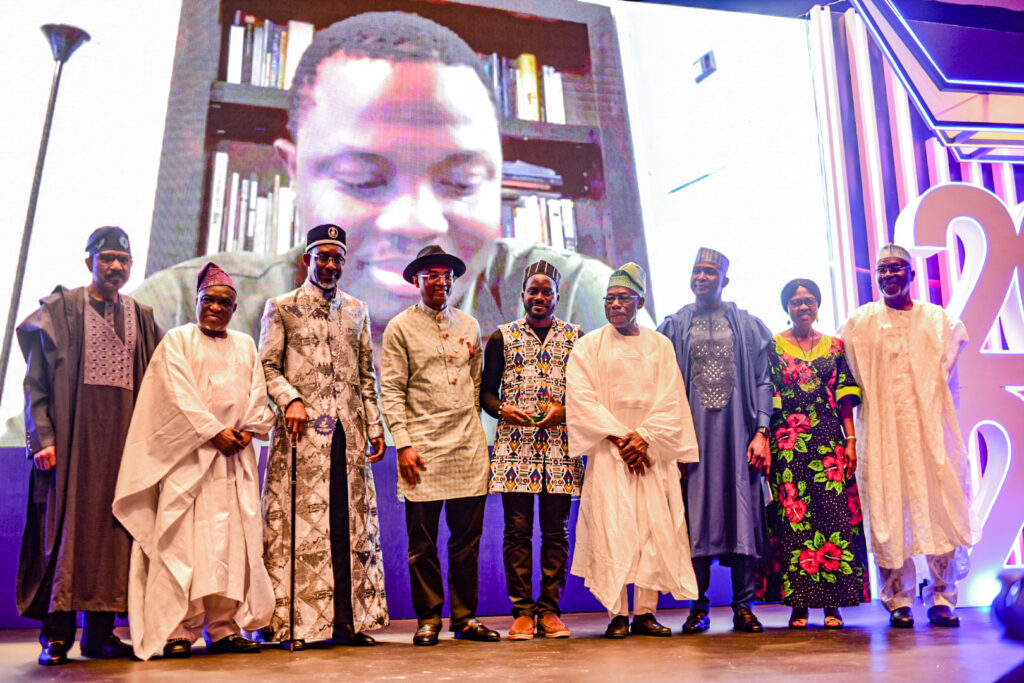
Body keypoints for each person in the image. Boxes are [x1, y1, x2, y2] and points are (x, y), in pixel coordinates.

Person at [130, 11, 639, 345]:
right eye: (360, 179)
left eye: (461, 182)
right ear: (293, 174)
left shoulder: (576, 302)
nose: (416, 222)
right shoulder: (181, 310)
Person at [112, 263, 276, 660]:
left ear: (235, 309)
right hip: (189, 462)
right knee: (186, 545)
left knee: (231, 547)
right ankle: (179, 630)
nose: (216, 308)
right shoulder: (177, 340)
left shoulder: (245, 345)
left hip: (234, 461)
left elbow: (257, 395)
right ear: (198, 302)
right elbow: (176, 398)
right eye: (209, 300)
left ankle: (223, 627)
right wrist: (213, 431)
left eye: (224, 303)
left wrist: (247, 430)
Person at [15, 227, 162, 666]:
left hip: (123, 448)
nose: (115, 266)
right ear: (89, 263)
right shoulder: (62, 310)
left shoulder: (141, 314)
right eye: (106, 258)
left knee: (114, 536)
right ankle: (56, 637)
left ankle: (99, 636)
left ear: (131, 265)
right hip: (72, 448)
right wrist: (43, 437)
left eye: (123, 259)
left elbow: (159, 383)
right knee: (65, 535)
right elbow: (35, 383)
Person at [259, 224, 388, 646]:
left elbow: (367, 373)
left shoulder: (357, 309)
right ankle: (298, 626)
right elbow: (267, 366)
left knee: (346, 527)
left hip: (348, 439)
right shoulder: (282, 307)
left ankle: (348, 625)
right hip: (302, 440)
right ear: (307, 260)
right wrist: (290, 399)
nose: (330, 265)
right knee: (304, 528)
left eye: (337, 259)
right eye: (323, 258)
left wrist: (373, 424)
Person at [838, 244, 978, 629]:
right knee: (888, 513)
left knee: (941, 509)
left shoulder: (939, 321)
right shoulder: (859, 323)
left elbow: (949, 373)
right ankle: (898, 599)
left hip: (931, 432)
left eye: (897, 269)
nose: (888, 276)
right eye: (882, 270)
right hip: (883, 435)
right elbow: (844, 376)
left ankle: (942, 597)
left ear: (912, 275)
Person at [567, 263, 699, 639]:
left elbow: (671, 399)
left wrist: (644, 437)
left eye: (624, 298)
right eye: (610, 299)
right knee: (613, 527)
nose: (615, 305)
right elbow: (582, 400)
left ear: (640, 301)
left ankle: (645, 612)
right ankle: (616, 614)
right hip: (611, 454)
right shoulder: (588, 345)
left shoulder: (660, 344)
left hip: (650, 453)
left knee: (651, 531)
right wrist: (620, 438)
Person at [380, 245, 499, 646]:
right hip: (422, 450)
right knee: (423, 545)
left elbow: (478, 383)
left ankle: (465, 619)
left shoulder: (468, 324)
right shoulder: (399, 327)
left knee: (466, 544)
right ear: (416, 281)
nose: (440, 281)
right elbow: (392, 391)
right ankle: (428, 618)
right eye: (430, 274)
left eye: (446, 274)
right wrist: (404, 445)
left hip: (467, 446)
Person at [657, 247, 772, 634]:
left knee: (742, 516)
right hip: (693, 443)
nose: (701, 278)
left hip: (739, 439)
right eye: (696, 271)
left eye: (709, 272)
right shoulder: (674, 325)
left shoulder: (747, 324)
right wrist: (671, 444)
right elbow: (662, 386)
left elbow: (762, 379)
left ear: (725, 280)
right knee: (696, 520)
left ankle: (744, 607)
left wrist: (762, 432)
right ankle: (698, 607)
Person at [757, 278, 870, 629]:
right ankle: (799, 606)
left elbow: (845, 398)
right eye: (795, 302)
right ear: (786, 307)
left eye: (808, 301)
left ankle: (833, 605)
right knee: (794, 522)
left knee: (833, 520)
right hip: (788, 444)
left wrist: (850, 441)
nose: (802, 307)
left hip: (827, 444)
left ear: (817, 305)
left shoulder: (835, 347)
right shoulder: (772, 346)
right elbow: (766, 395)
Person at [480, 260, 582, 640]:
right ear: (522, 295)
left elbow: (587, 394)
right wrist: (501, 409)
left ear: (557, 296)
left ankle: (551, 611)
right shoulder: (502, 337)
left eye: (547, 291)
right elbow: (486, 392)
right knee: (517, 533)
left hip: (561, 447)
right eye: (533, 291)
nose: (540, 297)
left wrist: (567, 411)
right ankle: (522, 612)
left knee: (556, 533)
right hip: (515, 449)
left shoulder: (576, 338)